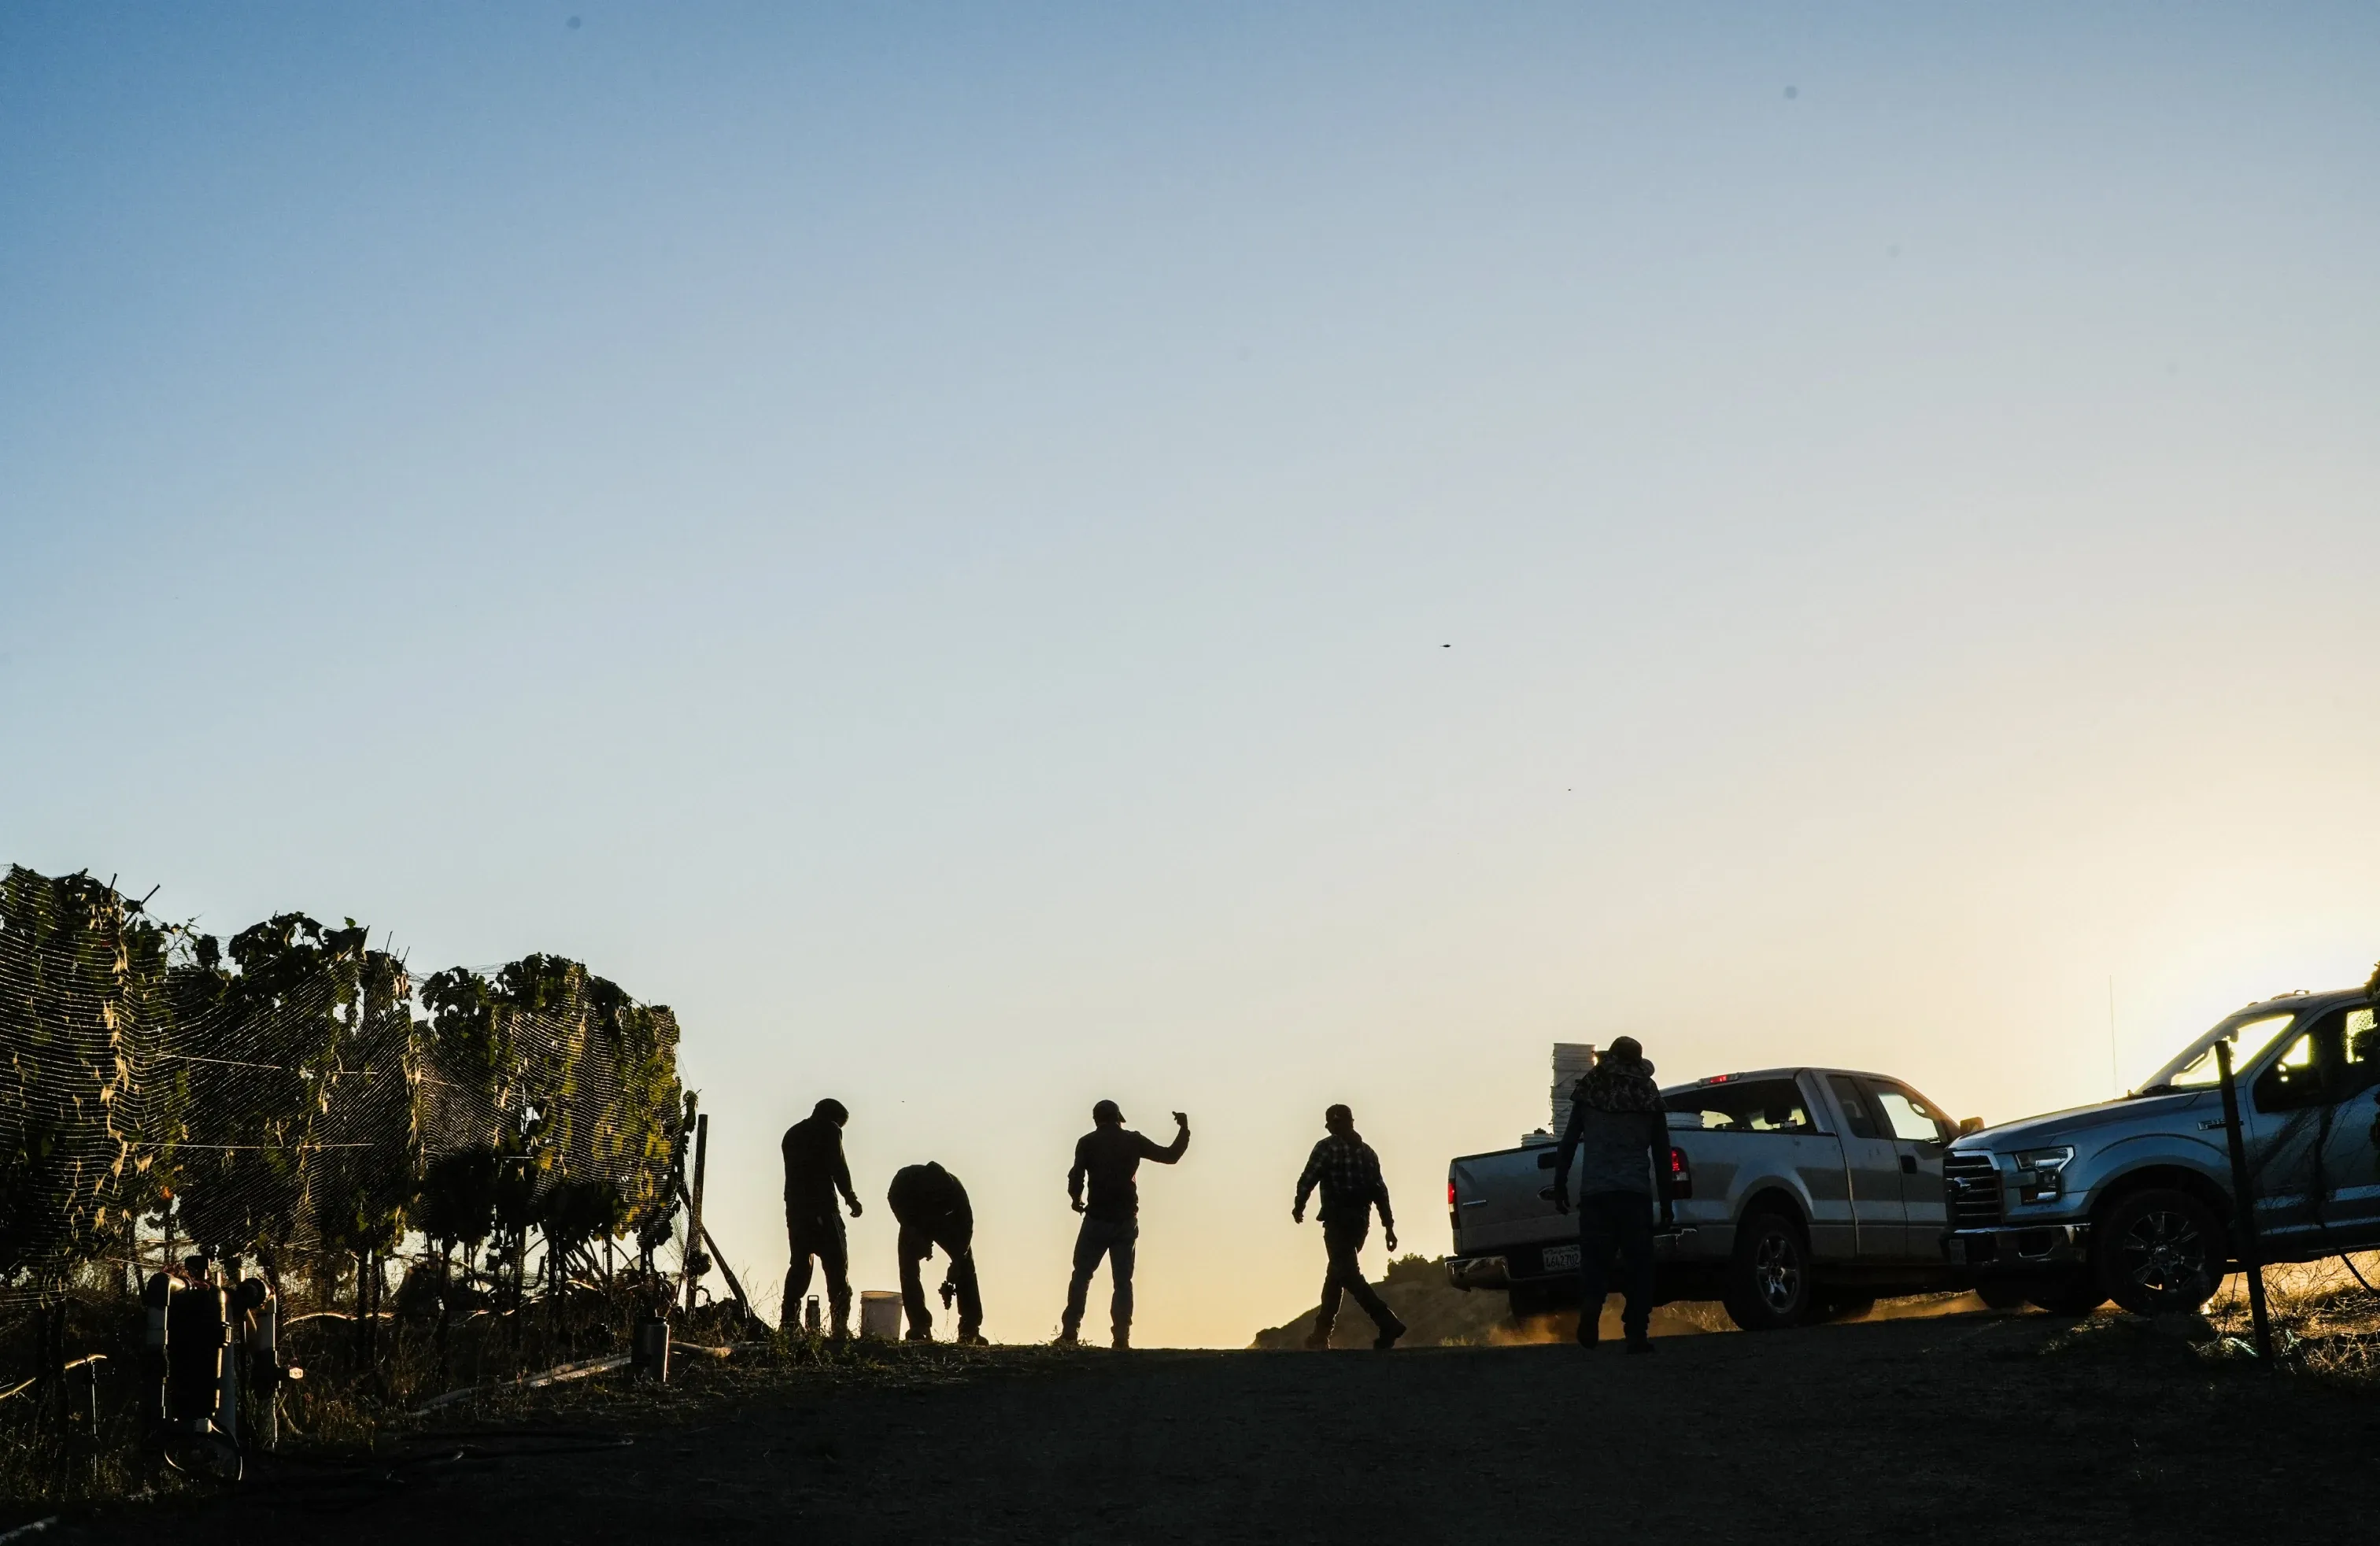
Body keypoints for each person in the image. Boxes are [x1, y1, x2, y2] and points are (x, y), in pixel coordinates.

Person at [1550, 1037, 1675, 1352]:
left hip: (1596, 1193)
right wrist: (1668, 1201)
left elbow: (1568, 1142)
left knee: (1595, 1262)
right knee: (1639, 1266)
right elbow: (1662, 1153)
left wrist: (1560, 1182)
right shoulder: (1647, 1092)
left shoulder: (1591, 1089)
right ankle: (1635, 1333)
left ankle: (1591, 1308)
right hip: (1634, 1194)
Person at [1058, 1100, 1189, 1350]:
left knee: (1082, 1276)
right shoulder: (1133, 1140)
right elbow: (1170, 1156)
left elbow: (1076, 1175)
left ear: (1097, 1119)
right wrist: (1183, 1130)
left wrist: (1076, 1199)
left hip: (1096, 1219)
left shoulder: (1087, 1142)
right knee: (1123, 1281)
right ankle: (1121, 1338)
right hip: (1126, 1221)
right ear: (1118, 1117)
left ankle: (1070, 1333)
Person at [1292, 1104, 1408, 1350]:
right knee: (1336, 1276)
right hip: (1360, 1224)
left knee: (1349, 1276)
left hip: (1337, 1221)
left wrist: (1299, 1205)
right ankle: (1321, 1335)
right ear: (1352, 1122)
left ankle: (1387, 1323)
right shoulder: (1368, 1154)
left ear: (1332, 1126)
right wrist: (1388, 1227)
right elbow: (1380, 1192)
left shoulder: (1326, 1148)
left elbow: (1308, 1178)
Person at [781, 1097, 863, 1337]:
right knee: (837, 1265)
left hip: (795, 1208)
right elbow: (838, 1166)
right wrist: (850, 1197)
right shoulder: (828, 1129)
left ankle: (789, 1322)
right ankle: (839, 1326)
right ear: (834, 1119)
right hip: (823, 1207)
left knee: (799, 1264)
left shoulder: (792, 1133)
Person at [887, 1160, 984, 1345]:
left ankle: (970, 1329)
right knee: (908, 1267)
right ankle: (919, 1325)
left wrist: (957, 1259)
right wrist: (915, 1232)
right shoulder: (904, 1182)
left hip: (947, 1225)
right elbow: (894, 1200)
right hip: (913, 1222)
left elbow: (966, 1227)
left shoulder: (957, 1194)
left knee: (966, 1268)